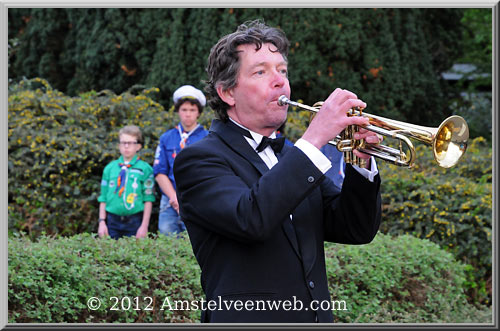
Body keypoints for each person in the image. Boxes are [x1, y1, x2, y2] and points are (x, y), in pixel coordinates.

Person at [173, 20, 382, 323]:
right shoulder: (199, 159)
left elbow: (355, 228)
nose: (280, 81)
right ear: (228, 93)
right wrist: (314, 139)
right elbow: (250, 219)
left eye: (282, 70)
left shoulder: (289, 157)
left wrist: (361, 164)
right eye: (261, 71)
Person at [154, 85, 209, 235]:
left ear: (199, 113)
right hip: (170, 201)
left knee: (195, 241)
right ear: (178, 111)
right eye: (184, 110)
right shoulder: (167, 138)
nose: (188, 115)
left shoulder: (208, 138)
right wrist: (174, 198)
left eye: (192, 110)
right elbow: (160, 172)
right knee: (167, 239)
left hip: (198, 200)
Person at [97, 125, 155, 239]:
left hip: (134, 221)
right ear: (119, 145)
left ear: (138, 146)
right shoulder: (110, 168)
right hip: (112, 220)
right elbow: (103, 197)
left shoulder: (145, 169)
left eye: (131, 143)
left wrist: (144, 226)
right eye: (123, 143)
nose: (126, 146)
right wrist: (101, 222)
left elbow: (148, 199)